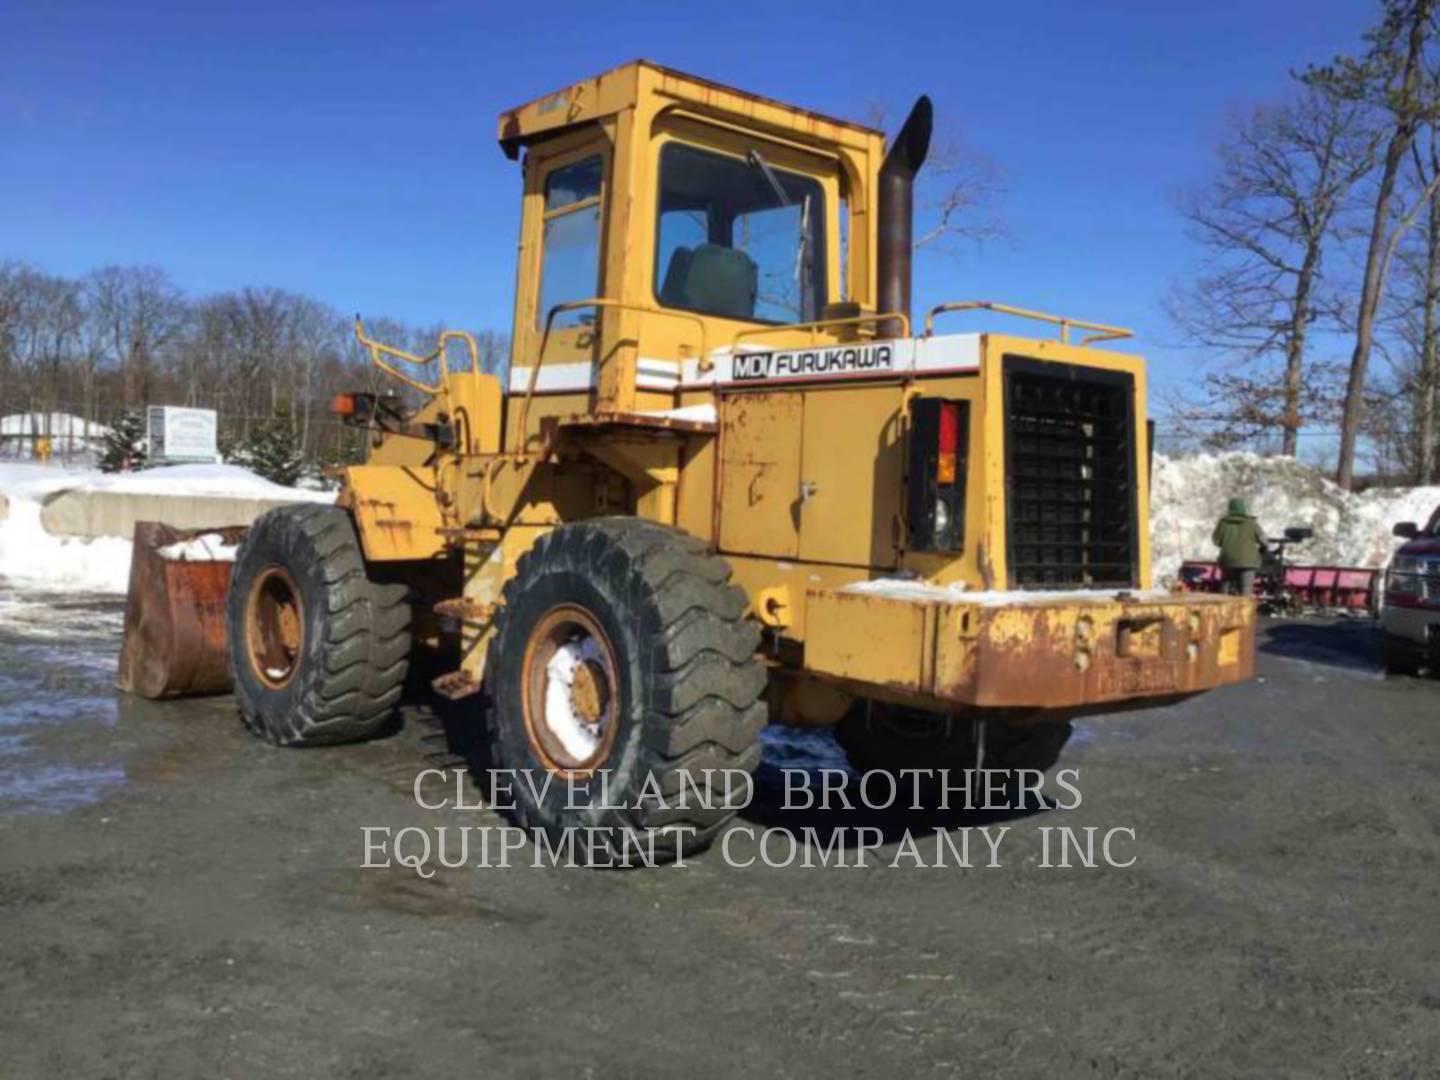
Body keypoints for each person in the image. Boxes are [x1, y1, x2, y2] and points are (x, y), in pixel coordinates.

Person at [1211, 497, 1267, 597]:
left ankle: (1225, 609)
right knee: (1246, 591)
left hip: (1228, 561)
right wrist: (1263, 549)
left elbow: (1216, 541)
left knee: (1225, 590)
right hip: (1248, 563)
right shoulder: (1251, 523)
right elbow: (1264, 541)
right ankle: (1244, 610)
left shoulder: (1223, 523)